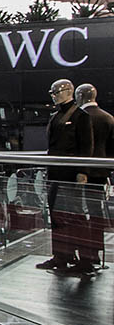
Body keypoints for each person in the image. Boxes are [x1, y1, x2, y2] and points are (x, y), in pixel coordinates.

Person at [39, 79, 94, 270]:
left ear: (68, 91)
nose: (54, 95)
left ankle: (86, 259)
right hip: (55, 173)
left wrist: (82, 171)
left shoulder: (81, 116)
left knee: (76, 216)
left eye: (56, 92)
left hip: (71, 174)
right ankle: (61, 255)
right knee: (56, 216)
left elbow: (87, 146)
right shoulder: (55, 116)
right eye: (52, 92)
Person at [76, 83, 113, 270]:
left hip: (78, 175)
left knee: (77, 214)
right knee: (96, 212)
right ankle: (95, 253)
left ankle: (83, 254)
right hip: (100, 173)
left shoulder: (78, 118)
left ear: (80, 96)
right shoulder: (108, 118)